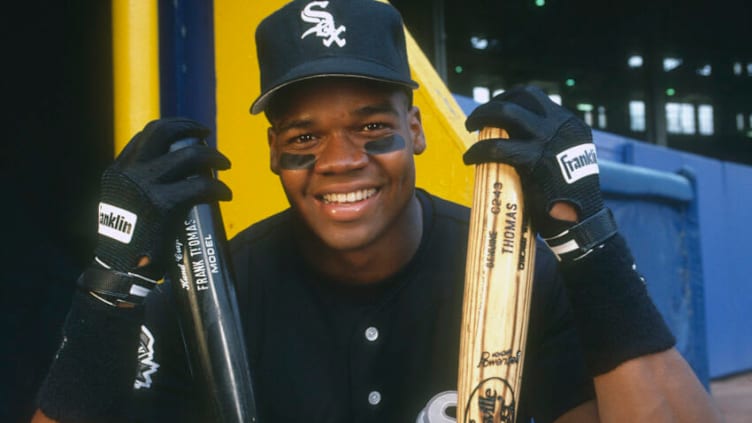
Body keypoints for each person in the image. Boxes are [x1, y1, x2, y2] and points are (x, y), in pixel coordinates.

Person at [34, 0, 722, 422]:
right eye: (305, 136)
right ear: (274, 151)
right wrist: (107, 286)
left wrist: (591, 242)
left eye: (371, 127)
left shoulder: (512, 274)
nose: (340, 159)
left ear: (417, 129)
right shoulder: (218, 290)